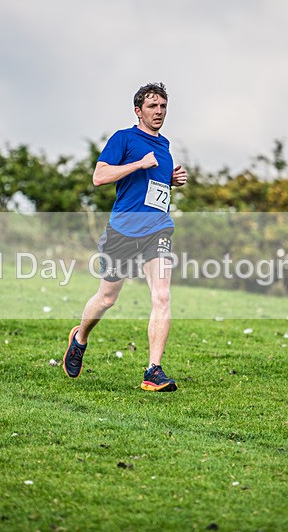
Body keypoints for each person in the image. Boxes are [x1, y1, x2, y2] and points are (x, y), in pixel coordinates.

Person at [63, 82, 187, 392]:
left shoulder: (166, 146)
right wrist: (139, 163)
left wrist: (172, 180)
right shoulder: (124, 139)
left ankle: (153, 371)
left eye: (163, 107)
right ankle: (80, 338)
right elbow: (99, 176)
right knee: (107, 298)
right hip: (123, 231)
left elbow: (152, 187)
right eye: (152, 107)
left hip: (158, 229)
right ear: (138, 111)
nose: (158, 112)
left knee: (161, 296)